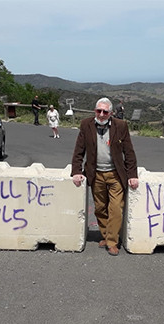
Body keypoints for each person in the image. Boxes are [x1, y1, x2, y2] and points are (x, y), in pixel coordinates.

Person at [71, 97, 139, 256]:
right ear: (95, 111)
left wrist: (132, 175)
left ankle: (112, 241)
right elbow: (79, 150)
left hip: (116, 174)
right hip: (96, 173)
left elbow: (129, 152)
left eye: (105, 112)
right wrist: (76, 171)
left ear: (111, 113)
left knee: (115, 208)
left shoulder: (121, 126)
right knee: (100, 208)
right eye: (98, 111)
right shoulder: (86, 125)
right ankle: (106, 235)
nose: (101, 114)